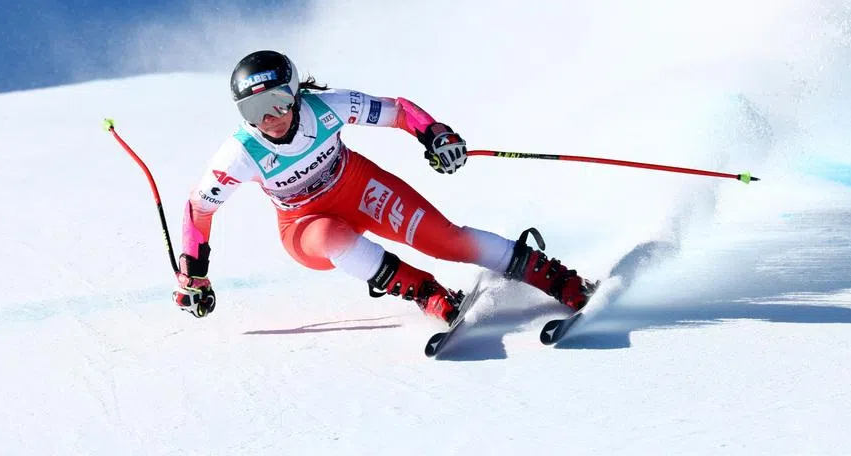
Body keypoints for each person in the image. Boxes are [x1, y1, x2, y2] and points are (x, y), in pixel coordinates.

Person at [173, 50, 595, 323]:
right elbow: (199, 209)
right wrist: (194, 276)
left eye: (280, 101)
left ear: (297, 92)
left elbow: (397, 111)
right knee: (330, 235)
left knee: (446, 239)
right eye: (255, 109)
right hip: (304, 225)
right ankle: (425, 291)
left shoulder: (329, 107)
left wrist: (434, 134)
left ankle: (548, 275)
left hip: (357, 186)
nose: (271, 118)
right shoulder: (240, 153)